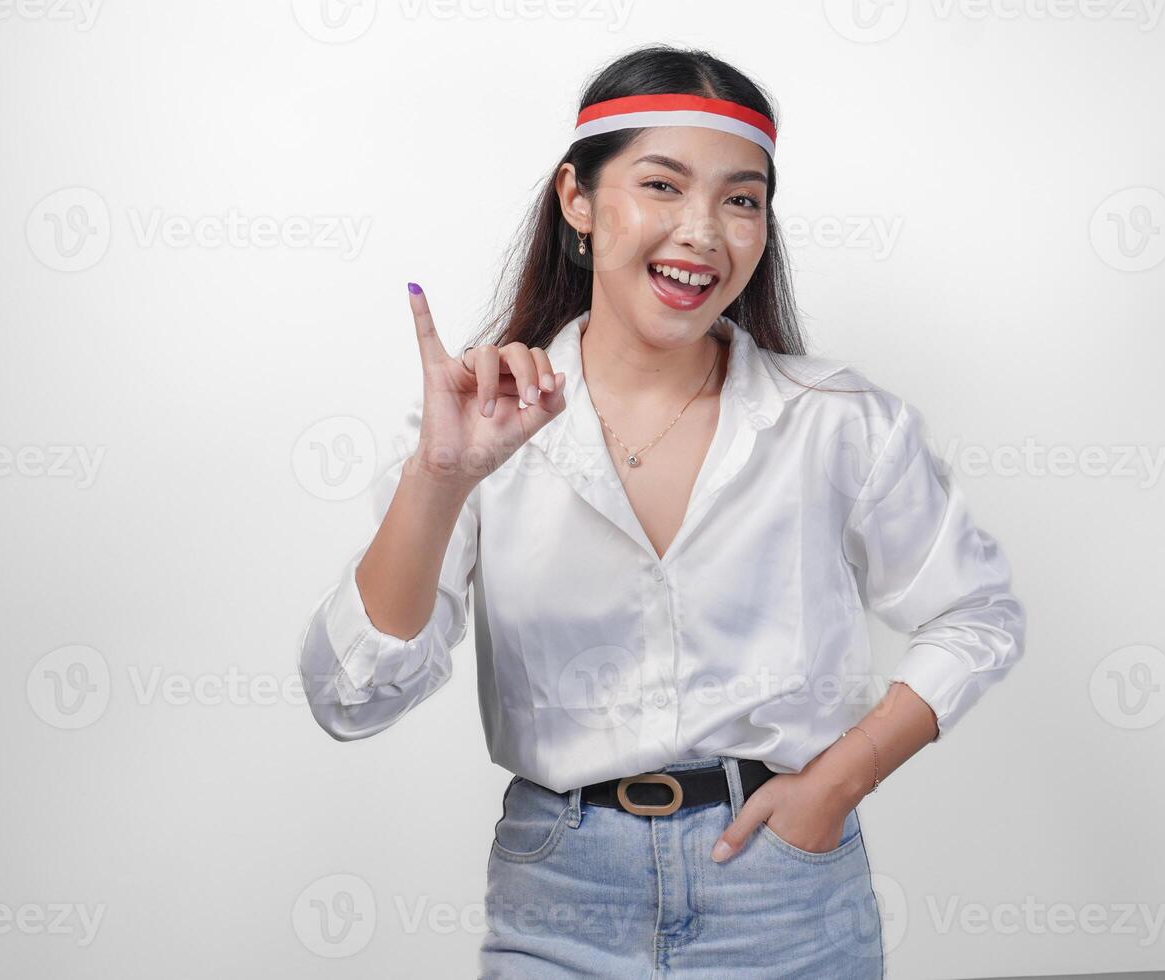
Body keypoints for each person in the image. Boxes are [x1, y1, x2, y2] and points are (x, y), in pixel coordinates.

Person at [297, 43, 1027, 979]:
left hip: (785, 892)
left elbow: (976, 613)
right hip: (559, 893)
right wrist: (439, 479)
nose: (704, 232)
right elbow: (351, 700)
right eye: (662, 185)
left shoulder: (837, 423)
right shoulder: (480, 425)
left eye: (741, 198)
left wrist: (836, 783)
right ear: (578, 202)